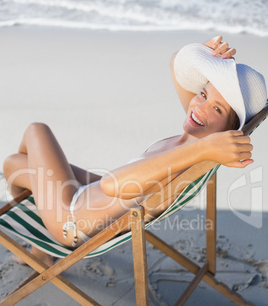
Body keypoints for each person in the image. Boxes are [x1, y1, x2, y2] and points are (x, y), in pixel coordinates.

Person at [3, 36, 267, 267]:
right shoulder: (198, 136)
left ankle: (37, 243)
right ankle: (37, 248)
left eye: (218, 109)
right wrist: (202, 53)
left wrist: (206, 147)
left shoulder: (189, 161)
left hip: (70, 220)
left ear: (228, 130)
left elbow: (110, 183)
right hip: (87, 197)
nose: (201, 107)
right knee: (16, 164)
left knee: (36, 133)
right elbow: (176, 65)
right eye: (203, 93)